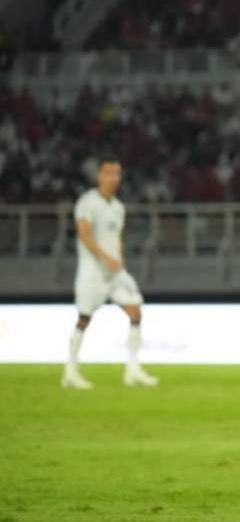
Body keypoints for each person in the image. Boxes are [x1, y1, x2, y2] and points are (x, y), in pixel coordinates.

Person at [63, 157, 158, 390]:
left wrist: (119, 261)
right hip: (92, 271)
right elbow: (84, 234)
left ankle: (132, 370)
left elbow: (116, 240)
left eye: (117, 174)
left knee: (135, 310)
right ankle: (70, 371)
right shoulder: (88, 202)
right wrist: (105, 257)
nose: (113, 178)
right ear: (99, 176)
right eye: (108, 173)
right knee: (84, 318)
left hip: (114, 272)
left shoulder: (118, 207)